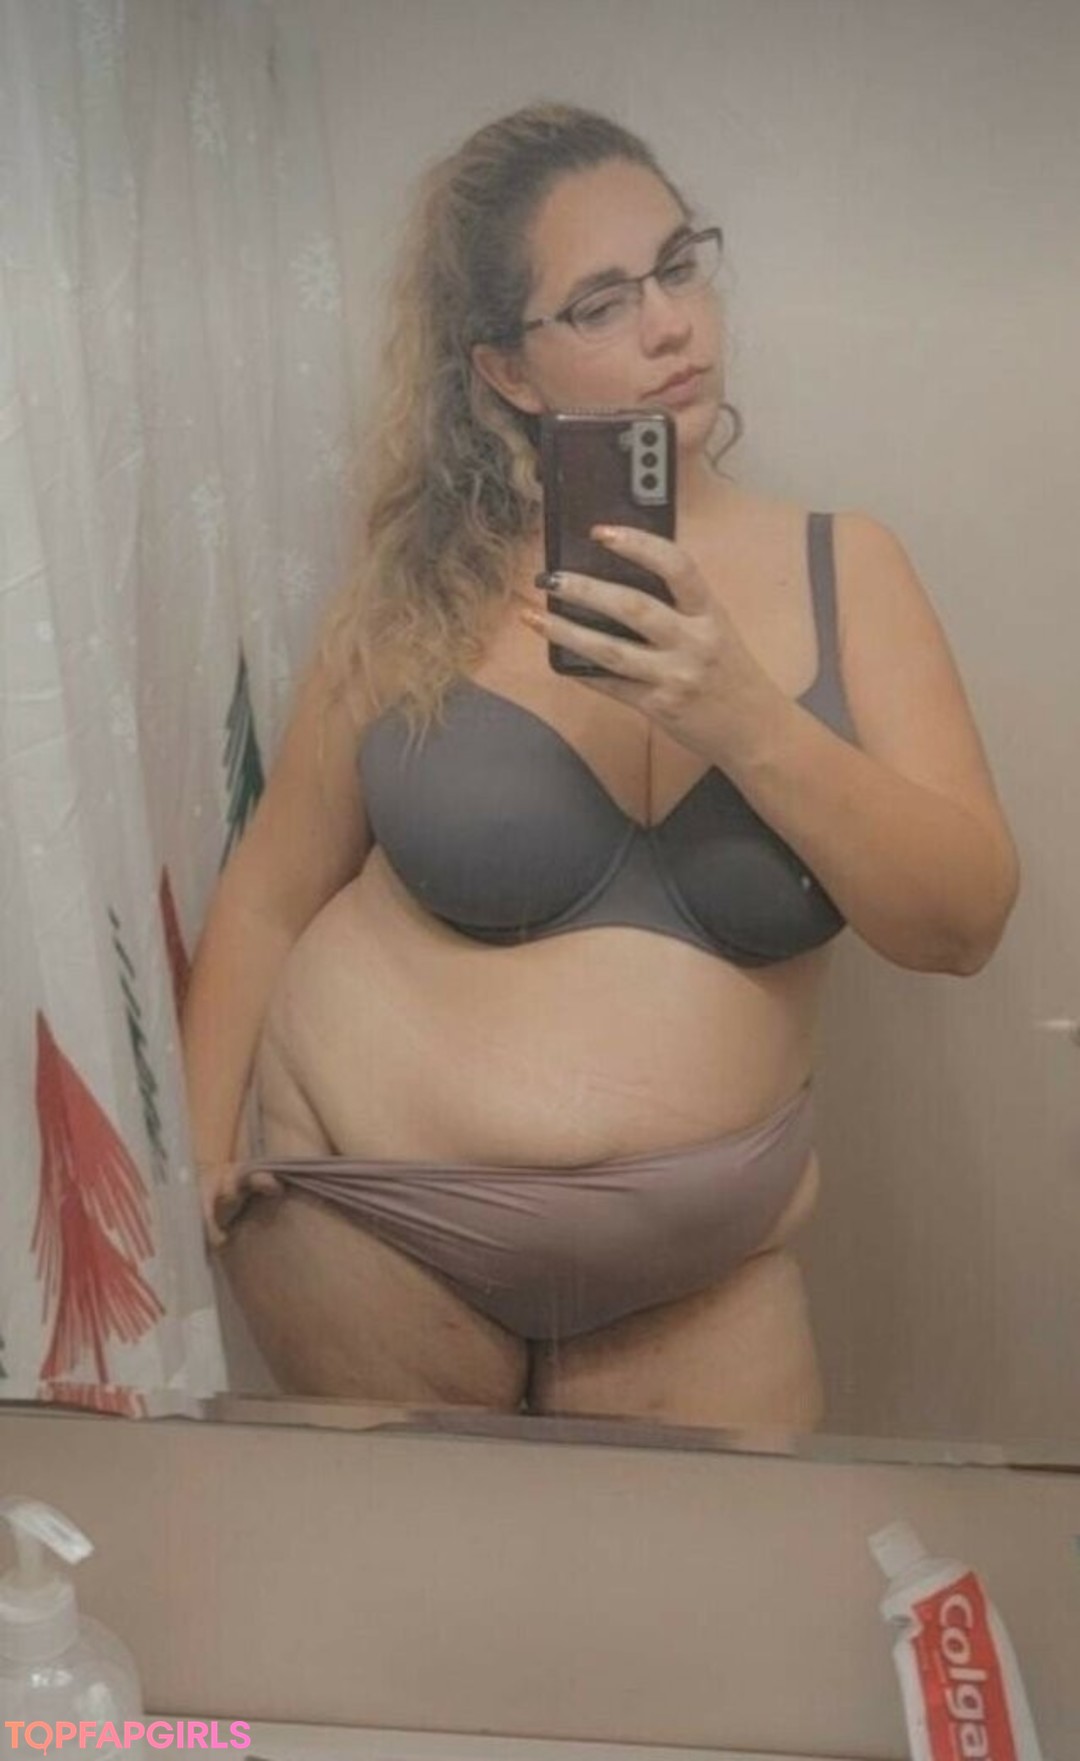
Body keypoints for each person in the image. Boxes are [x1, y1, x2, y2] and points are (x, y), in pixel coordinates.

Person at [181, 102, 1019, 1428]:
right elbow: (271, 893)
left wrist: (743, 716)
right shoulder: (415, 594)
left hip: (704, 1265)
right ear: (507, 371)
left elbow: (962, 924)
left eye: (680, 266)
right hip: (376, 1229)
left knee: (715, 1565)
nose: (671, 325)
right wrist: (196, 1152)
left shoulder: (847, 566)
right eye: (601, 302)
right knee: (427, 1562)